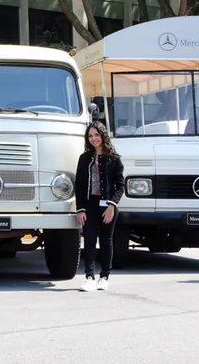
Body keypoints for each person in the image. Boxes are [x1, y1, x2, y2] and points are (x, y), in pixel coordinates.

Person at [74, 121, 125, 292]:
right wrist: (80, 209)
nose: (93, 139)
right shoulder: (84, 158)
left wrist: (112, 205)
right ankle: (89, 277)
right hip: (90, 206)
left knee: (106, 241)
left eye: (96, 135)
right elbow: (79, 185)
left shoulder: (114, 158)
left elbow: (120, 185)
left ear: (103, 135)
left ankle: (104, 277)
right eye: (90, 136)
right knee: (89, 240)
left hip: (108, 206)